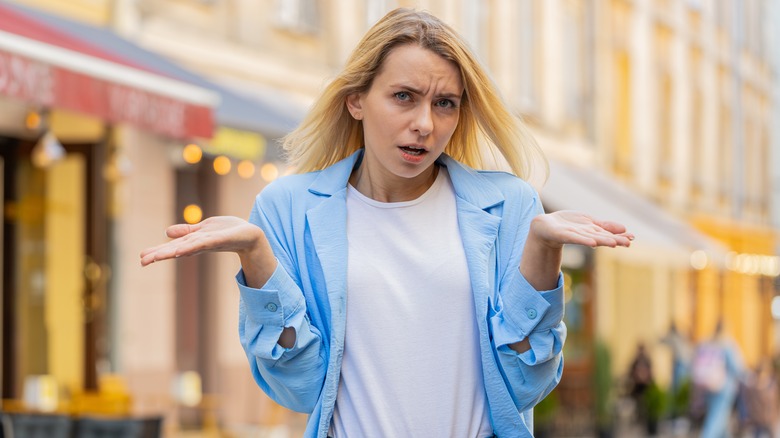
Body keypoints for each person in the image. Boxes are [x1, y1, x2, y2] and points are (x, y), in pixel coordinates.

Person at [140, 8, 633, 437]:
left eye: (445, 103)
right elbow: (299, 389)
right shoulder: (286, 208)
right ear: (357, 99)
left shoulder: (510, 207)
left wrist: (542, 256)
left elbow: (527, 385)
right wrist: (257, 258)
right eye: (404, 96)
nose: (425, 123)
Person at [690, 320, 744, 438]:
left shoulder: (705, 342)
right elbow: (738, 368)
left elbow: (693, 361)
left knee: (721, 421)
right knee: (715, 420)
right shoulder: (727, 344)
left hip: (706, 386)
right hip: (723, 387)